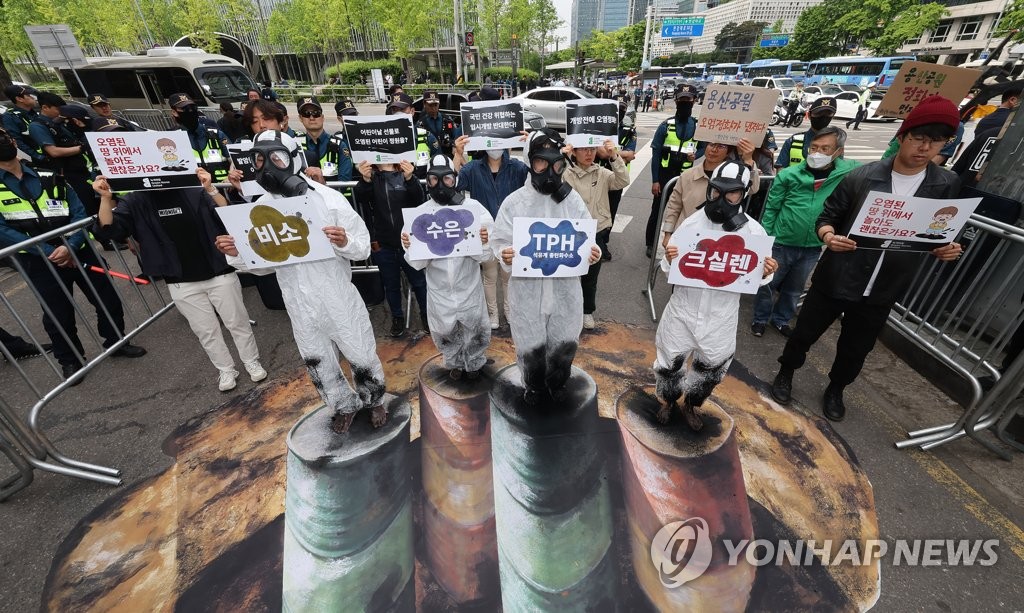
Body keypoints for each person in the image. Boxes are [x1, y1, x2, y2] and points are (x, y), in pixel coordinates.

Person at [770, 95, 964, 422]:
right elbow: (827, 218)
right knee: (804, 332)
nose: (925, 148)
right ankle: (786, 372)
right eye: (918, 138)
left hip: (885, 285)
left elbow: (942, 230)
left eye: (936, 141)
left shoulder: (945, 184)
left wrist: (948, 247)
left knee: (856, 347)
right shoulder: (862, 177)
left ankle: (836, 388)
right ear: (902, 137)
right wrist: (830, 237)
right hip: (838, 275)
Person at [215, 130, 386, 433]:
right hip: (297, 300)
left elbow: (361, 246)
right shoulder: (260, 209)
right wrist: (238, 252)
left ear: (294, 158)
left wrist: (344, 240)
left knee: (359, 351)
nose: (269, 166)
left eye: (277, 157)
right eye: (260, 159)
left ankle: (373, 400)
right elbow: (261, 266)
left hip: (336, 295)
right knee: (317, 359)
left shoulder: (329, 200)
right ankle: (342, 406)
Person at [93, 168, 266, 392]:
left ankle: (251, 361)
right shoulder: (136, 199)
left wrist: (210, 188)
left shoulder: (194, 190)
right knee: (206, 330)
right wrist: (106, 198)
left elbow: (227, 216)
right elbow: (108, 230)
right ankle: (225, 369)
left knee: (237, 322)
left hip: (218, 271)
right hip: (180, 280)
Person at [0, 127, 145, 384]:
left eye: (4, 137)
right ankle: (70, 360)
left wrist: (70, 244)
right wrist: (47, 251)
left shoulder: (48, 175)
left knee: (106, 298)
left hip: (77, 248)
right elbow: (3, 230)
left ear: (12, 141)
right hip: (38, 260)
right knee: (58, 312)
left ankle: (116, 342)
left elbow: (79, 212)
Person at [655, 160, 778, 430]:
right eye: (716, 192)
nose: (721, 199)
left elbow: (756, 278)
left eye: (731, 193)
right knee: (669, 359)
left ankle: (691, 404)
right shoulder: (691, 224)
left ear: (743, 194)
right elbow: (668, 267)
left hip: (721, 314)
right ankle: (668, 400)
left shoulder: (753, 232)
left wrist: (767, 270)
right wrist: (671, 256)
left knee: (711, 367)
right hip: (684, 308)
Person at [490, 129, 602, 404]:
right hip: (527, 291)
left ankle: (557, 382)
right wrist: (505, 253)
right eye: (541, 162)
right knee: (530, 345)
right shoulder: (515, 202)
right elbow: (499, 239)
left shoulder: (571, 199)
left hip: (565, 289)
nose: (549, 171)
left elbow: (585, 237)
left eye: (556, 164)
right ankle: (535, 387)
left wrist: (592, 251)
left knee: (564, 341)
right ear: (530, 162)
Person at [752, 127, 858, 338]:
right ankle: (760, 319)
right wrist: (766, 241)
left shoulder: (846, 173)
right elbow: (772, 208)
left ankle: (781, 320)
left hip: (811, 247)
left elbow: (885, 164)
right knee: (768, 284)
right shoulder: (790, 175)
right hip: (781, 243)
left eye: (825, 148)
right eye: (814, 147)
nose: (817, 153)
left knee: (794, 289)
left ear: (838, 152)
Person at [402, 155, 494, 379]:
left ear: (455, 179)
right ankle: (453, 362)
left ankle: (475, 362)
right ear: (427, 181)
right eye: (434, 179)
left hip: (468, 285)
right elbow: (416, 262)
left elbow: (487, 254)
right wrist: (409, 245)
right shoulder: (420, 215)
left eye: (447, 179)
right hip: (439, 288)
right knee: (444, 328)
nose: (441, 185)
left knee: (474, 325)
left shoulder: (473, 209)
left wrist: (483, 240)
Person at [452, 134, 529, 329]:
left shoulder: (517, 168)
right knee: (490, 275)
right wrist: (458, 154)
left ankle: (510, 310)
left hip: (509, 231)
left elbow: (534, 179)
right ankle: (493, 313)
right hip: (484, 233)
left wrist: (529, 146)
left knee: (508, 275)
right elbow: (453, 186)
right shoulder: (473, 168)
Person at [354, 158, 428, 337]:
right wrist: (365, 180)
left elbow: (420, 199)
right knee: (391, 284)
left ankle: (427, 315)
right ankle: (397, 317)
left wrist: (410, 178)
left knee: (419, 282)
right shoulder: (372, 177)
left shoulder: (405, 171)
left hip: (409, 242)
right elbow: (360, 197)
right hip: (384, 243)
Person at [563, 139, 629, 329]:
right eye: (583, 148)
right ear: (574, 152)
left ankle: (586, 311)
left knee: (591, 274)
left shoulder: (602, 173)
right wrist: (561, 158)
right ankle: (568, 311)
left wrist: (614, 156)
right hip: (570, 230)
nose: (588, 153)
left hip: (596, 230)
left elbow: (622, 180)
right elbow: (549, 184)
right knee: (568, 274)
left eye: (591, 148)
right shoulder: (566, 173)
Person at [660, 138, 759, 249]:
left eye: (721, 146)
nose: (714, 150)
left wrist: (749, 160)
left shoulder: (734, 176)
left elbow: (753, 189)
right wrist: (668, 233)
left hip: (718, 238)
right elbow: (674, 206)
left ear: (728, 152)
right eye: (711, 144)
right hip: (686, 234)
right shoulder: (687, 175)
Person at [647, 85, 705, 258]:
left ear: (694, 100)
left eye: (688, 100)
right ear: (676, 101)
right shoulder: (666, 126)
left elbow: (704, 147)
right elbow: (656, 154)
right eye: (682, 100)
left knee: (685, 212)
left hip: (686, 176)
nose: (685, 103)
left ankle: (681, 244)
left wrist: (696, 155)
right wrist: (655, 180)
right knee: (657, 211)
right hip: (665, 175)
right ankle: (650, 243)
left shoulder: (697, 126)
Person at [29, 96, 96, 214]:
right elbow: (53, 152)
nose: (61, 112)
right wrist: (83, 147)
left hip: (83, 169)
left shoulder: (60, 122)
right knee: (85, 206)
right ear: (45, 107)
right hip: (67, 173)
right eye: (58, 109)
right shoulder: (37, 126)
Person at [597, 99, 638, 260]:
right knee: (594, 209)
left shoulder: (628, 130)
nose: (619, 114)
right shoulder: (598, 129)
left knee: (611, 212)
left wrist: (611, 152)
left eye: (622, 110)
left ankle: (603, 242)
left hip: (617, 178)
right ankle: (595, 240)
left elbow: (632, 154)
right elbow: (600, 153)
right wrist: (621, 154)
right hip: (598, 175)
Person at [167, 93, 230, 184]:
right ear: (174, 112)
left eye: (193, 107)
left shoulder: (215, 134)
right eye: (184, 109)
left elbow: (234, 160)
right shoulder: (171, 138)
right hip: (193, 191)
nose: (190, 111)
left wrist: (231, 175)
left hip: (221, 188)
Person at [776, 97, 837, 169]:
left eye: (828, 114)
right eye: (819, 113)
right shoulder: (793, 141)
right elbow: (780, 172)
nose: (823, 117)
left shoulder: (836, 144)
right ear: (809, 115)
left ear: (832, 116)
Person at [295, 96, 341, 182]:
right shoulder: (295, 145)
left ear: (322, 117)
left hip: (333, 194)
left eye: (316, 113)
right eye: (306, 113)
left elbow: (344, 181)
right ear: (300, 118)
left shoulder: (339, 145)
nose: (312, 118)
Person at [387, 93, 432, 178]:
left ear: (412, 111)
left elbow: (438, 164)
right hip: (395, 188)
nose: (398, 113)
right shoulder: (384, 139)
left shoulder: (426, 136)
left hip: (421, 187)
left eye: (402, 109)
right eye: (394, 110)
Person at [2, 85, 43, 165]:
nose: (33, 98)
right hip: (42, 159)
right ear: (19, 99)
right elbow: (17, 140)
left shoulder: (34, 111)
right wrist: (38, 156)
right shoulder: (10, 116)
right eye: (28, 95)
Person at [419, 90, 460, 158]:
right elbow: (421, 145)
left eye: (435, 105)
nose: (434, 108)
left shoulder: (447, 120)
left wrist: (454, 145)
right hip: (430, 159)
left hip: (448, 158)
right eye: (430, 105)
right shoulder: (421, 124)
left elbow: (456, 135)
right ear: (424, 104)